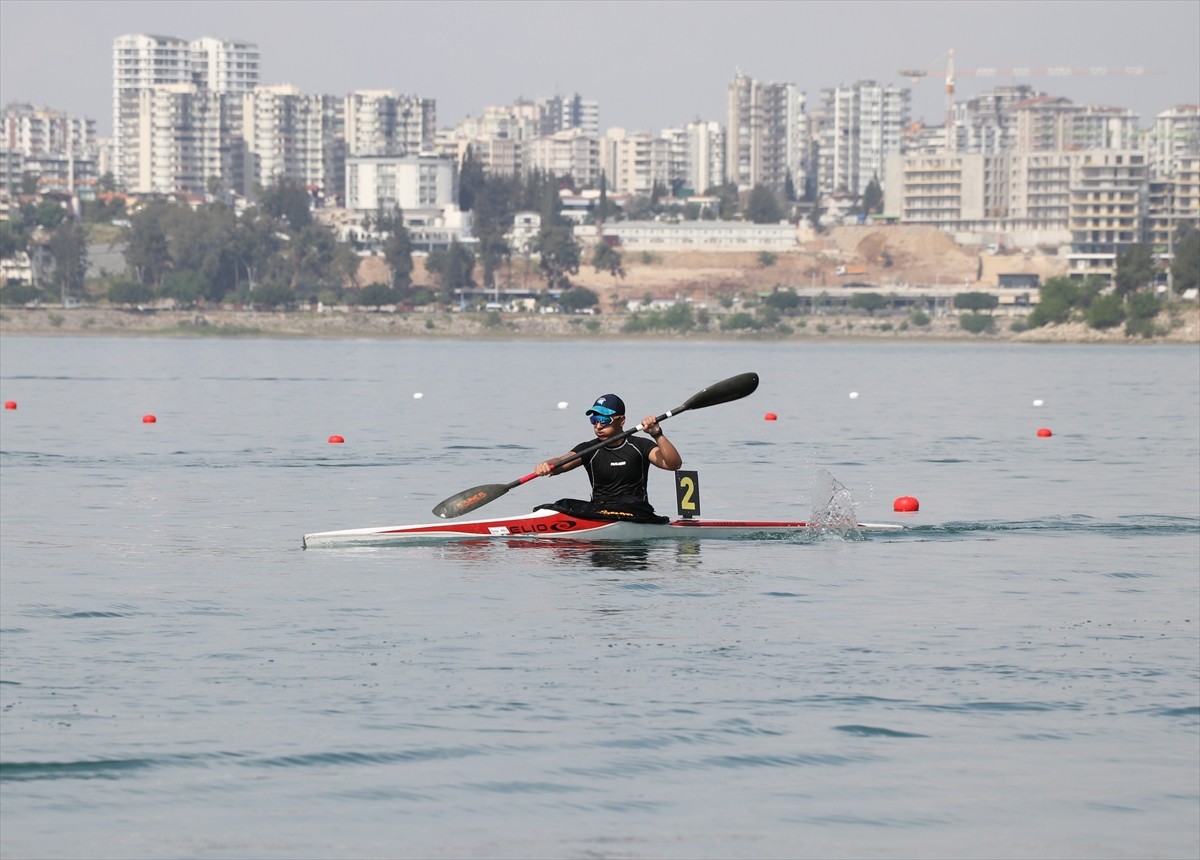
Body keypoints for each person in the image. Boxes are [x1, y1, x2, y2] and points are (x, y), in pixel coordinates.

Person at [533, 393, 682, 523]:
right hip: (599, 510)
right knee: (561, 504)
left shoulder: (640, 446)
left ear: (621, 420)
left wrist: (657, 434)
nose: (598, 426)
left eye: (604, 421)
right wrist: (546, 465)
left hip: (637, 511)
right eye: (594, 420)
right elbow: (560, 462)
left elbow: (673, 464)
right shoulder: (589, 449)